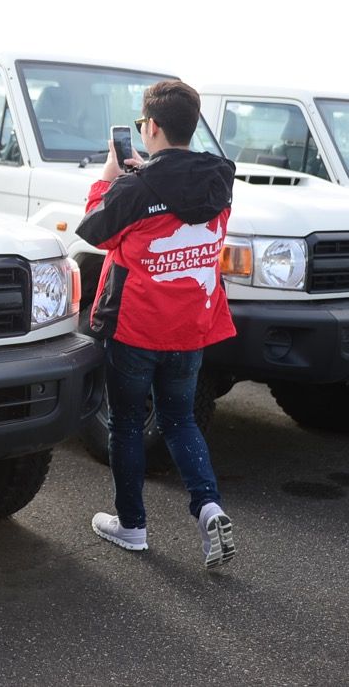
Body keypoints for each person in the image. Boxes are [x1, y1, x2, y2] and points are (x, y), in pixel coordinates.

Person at [76, 80, 238, 569]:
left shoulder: (134, 188)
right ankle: (208, 506)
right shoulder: (219, 179)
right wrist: (141, 175)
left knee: (126, 424)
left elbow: (94, 231)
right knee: (179, 420)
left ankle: (132, 526)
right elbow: (176, 192)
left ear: (150, 127)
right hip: (191, 324)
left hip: (136, 327)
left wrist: (110, 178)